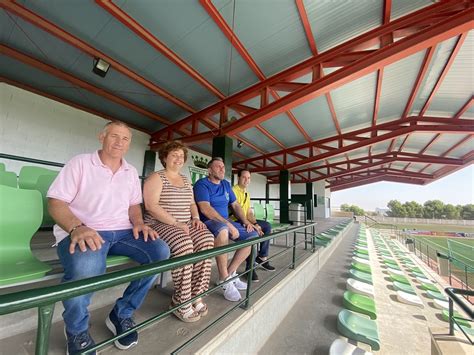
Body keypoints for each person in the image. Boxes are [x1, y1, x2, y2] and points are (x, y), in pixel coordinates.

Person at [47, 121, 170, 355]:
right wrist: (77, 227)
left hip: (123, 232)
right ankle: (76, 330)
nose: (119, 142)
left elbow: (134, 205)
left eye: (125, 139)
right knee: (87, 266)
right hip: (84, 230)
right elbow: (56, 202)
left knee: (160, 251)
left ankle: (121, 313)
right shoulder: (80, 163)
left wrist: (139, 223)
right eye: (114, 136)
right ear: (101, 136)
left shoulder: (130, 171)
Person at [143, 141, 214, 323]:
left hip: (184, 223)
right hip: (159, 224)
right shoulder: (156, 178)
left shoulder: (185, 179)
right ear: (165, 157)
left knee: (206, 238)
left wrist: (196, 219)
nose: (178, 159)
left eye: (181, 156)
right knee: (184, 243)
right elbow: (151, 206)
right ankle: (181, 301)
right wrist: (175, 222)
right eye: (174, 155)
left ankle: (195, 295)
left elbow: (192, 204)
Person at [193, 157, 258, 302]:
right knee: (223, 230)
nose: (222, 169)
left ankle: (228, 275)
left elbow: (235, 206)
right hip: (208, 221)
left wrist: (246, 221)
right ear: (209, 170)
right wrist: (228, 224)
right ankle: (224, 279)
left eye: (223, 167)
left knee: (252, 235)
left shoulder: (226, 184)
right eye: (218, 167)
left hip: (226, 221)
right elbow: (205, 208)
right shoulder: (202, 184)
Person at [232, 169, 275, 283]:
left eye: (248, 178)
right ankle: (249, 268)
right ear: (238, 178)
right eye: (244, 177)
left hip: (246, 220)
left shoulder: (247, 193)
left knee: (266, 226)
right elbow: (237, 211)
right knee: (253, 234)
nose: (246, 180)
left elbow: (249, 212)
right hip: (236, 221)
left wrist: (256, 224)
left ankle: (262, 257)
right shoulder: (234, 190)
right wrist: (250, 224)